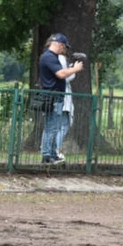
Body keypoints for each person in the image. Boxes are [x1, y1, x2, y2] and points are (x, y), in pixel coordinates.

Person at [39, 34, 84, 163]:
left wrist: (70, 69)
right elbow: (61, 74)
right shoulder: (49, 57)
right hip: (52, 97)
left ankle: (52, 153)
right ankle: (47, 155)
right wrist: (75, 69)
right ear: (59, 44)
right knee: (51, 127)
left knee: (54, 127)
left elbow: (60, 73)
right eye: (64, 48)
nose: (63, 51)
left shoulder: (50, 57)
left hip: (56, 97)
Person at [55, 48, 76, 158]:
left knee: (59, 125)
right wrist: (73, 70)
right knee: (63, 125)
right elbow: (64, 78)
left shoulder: (54, 59)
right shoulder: (60, 59)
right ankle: (56, 150)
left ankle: (53, 149)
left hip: (60, 97)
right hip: (62, 97)